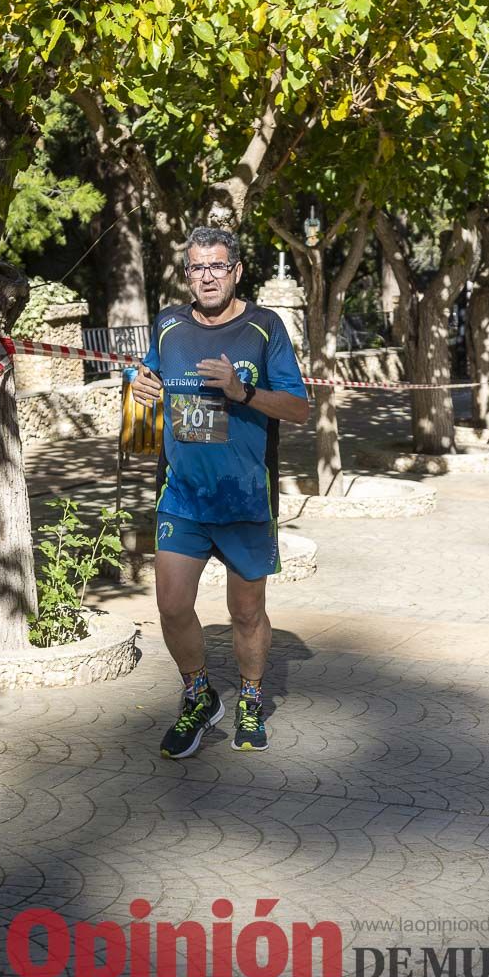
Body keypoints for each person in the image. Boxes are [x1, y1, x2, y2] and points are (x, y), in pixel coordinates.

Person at [131, 226, 309, 758]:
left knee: (245, 612)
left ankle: (251, 698)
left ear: (235, 271)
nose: (206, 277)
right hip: (182, 494)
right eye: (196, 268)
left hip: (245, 496)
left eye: (216, 267)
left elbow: (299, 408)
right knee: (171, 604)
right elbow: (149, 378)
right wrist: (139, 386)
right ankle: (199, 695)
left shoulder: (264, 327)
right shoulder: (169, 324)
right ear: (187, 274)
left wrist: (242, 391)